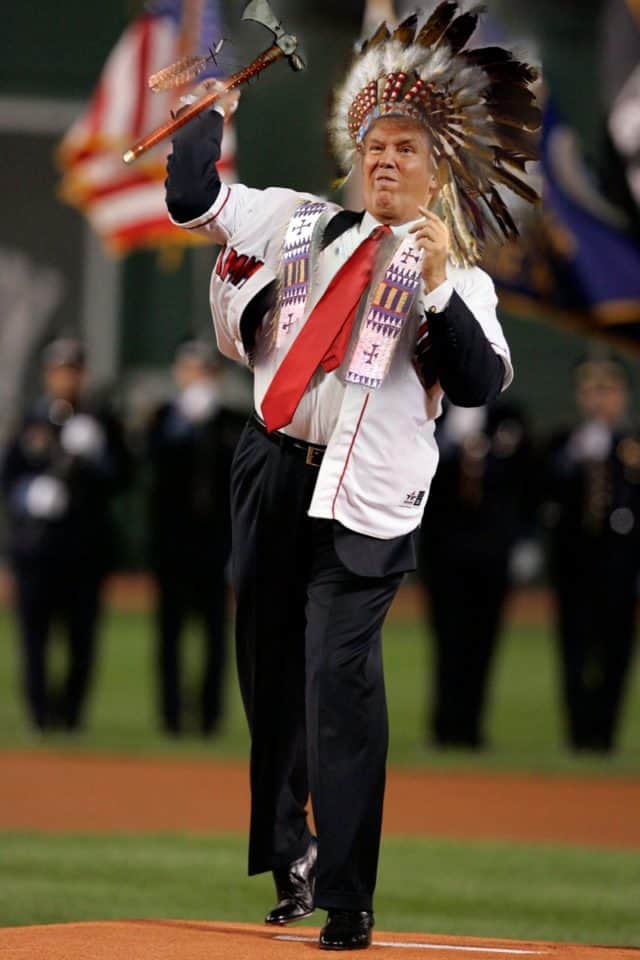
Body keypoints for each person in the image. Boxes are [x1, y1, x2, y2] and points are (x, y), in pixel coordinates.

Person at [165, 4, 539, 950]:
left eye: (407, 149)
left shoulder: (458, 278)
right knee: (270, 678)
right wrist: (205, 119)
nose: (385, 159)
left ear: (437, 170)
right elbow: (195, 202)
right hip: (272, 468)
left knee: (340, 682)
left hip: (365, 498)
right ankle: (289, 848)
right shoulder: (302, 221)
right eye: (375, 144)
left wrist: (445, 283)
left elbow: (483, 381)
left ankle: (347, 892)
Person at [1, 338, 130, 732]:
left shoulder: (100, 420)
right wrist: (30, 495)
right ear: (47, 375)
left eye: (73, 370)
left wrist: (97, 458)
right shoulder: (31, 420)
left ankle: (71, 716)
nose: (66, 378)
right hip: (37, 548)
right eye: (59, 371)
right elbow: (10, 477)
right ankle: (40, 716)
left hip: (84, 548)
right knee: (34, 637)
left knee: (81, 638)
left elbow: (123, 477)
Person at [418, 400, 532, 749]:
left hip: (493, 550)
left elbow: (526, 480)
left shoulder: (510, 418)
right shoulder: (433, 414)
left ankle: (472, 728)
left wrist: (527, 539)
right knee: (445, 638)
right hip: (443, 548)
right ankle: (443, 727)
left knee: (484, 640)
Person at [541, 358, 640, 752]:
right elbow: (546, 491)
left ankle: (605, 735)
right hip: (575, 564)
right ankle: (578, 735)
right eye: (590, 389)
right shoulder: (566, 443)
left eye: (608, 389)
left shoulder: (631, 444)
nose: (599, 399)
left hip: (621, 564)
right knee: (574, 650)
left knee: (616, 651)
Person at [146, 339, 244, 736]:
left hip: (216, 544)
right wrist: (182, 428)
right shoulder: (164, 419)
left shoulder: (231, 421)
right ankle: (170, 717)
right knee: (169, 634)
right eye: (191, 370)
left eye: (206, 371)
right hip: (172, 545)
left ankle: (209, 718)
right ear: (178, 374)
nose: (199, 379)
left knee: (215, 636)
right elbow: (152, 467)